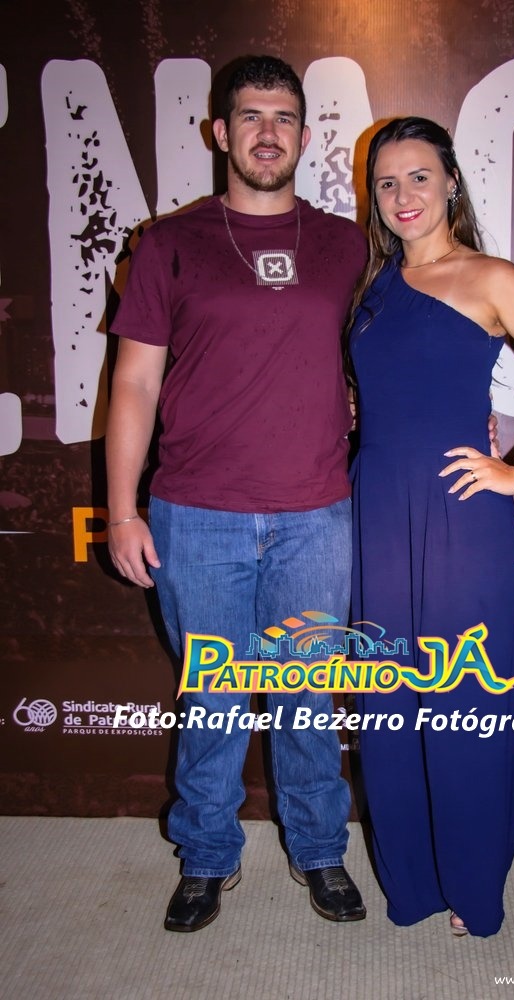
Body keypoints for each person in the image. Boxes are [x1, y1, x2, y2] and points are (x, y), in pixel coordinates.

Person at [105, 56, 369, 932]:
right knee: (214, 700)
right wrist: (121, 509)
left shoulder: (345, 245)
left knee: (306, 697)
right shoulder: (169, 243)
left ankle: (319, 849)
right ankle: (206, 857)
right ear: (219, 132)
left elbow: (400, 345)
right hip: (196, 516)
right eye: (250, 115)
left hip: (315, 514)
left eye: (284, 117)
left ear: (304, 134)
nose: (267, 132)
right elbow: (134, 383)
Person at [347, 117, 514, 937]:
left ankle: (470, 884)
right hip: (377, 513)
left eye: (419, 177)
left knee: (465, 700)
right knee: (389, 704)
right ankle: (414, 883)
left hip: (461, 518)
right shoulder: (371, 287)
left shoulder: (490, 277)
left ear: (451, 183)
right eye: (387, 182)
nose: (403, 195)